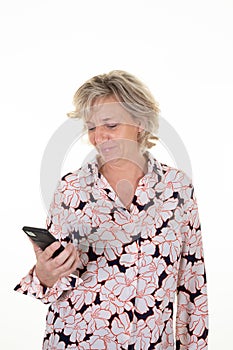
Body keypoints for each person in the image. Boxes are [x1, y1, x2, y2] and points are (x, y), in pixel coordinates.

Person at [14, 70, 208, 349]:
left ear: (140, 123)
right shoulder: (70, 188)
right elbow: (54, 282)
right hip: (76, 340)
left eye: (111, 125)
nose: (98, 136)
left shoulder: (177, 187)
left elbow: (192, 280)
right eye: (91, 127)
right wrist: (46, 274)